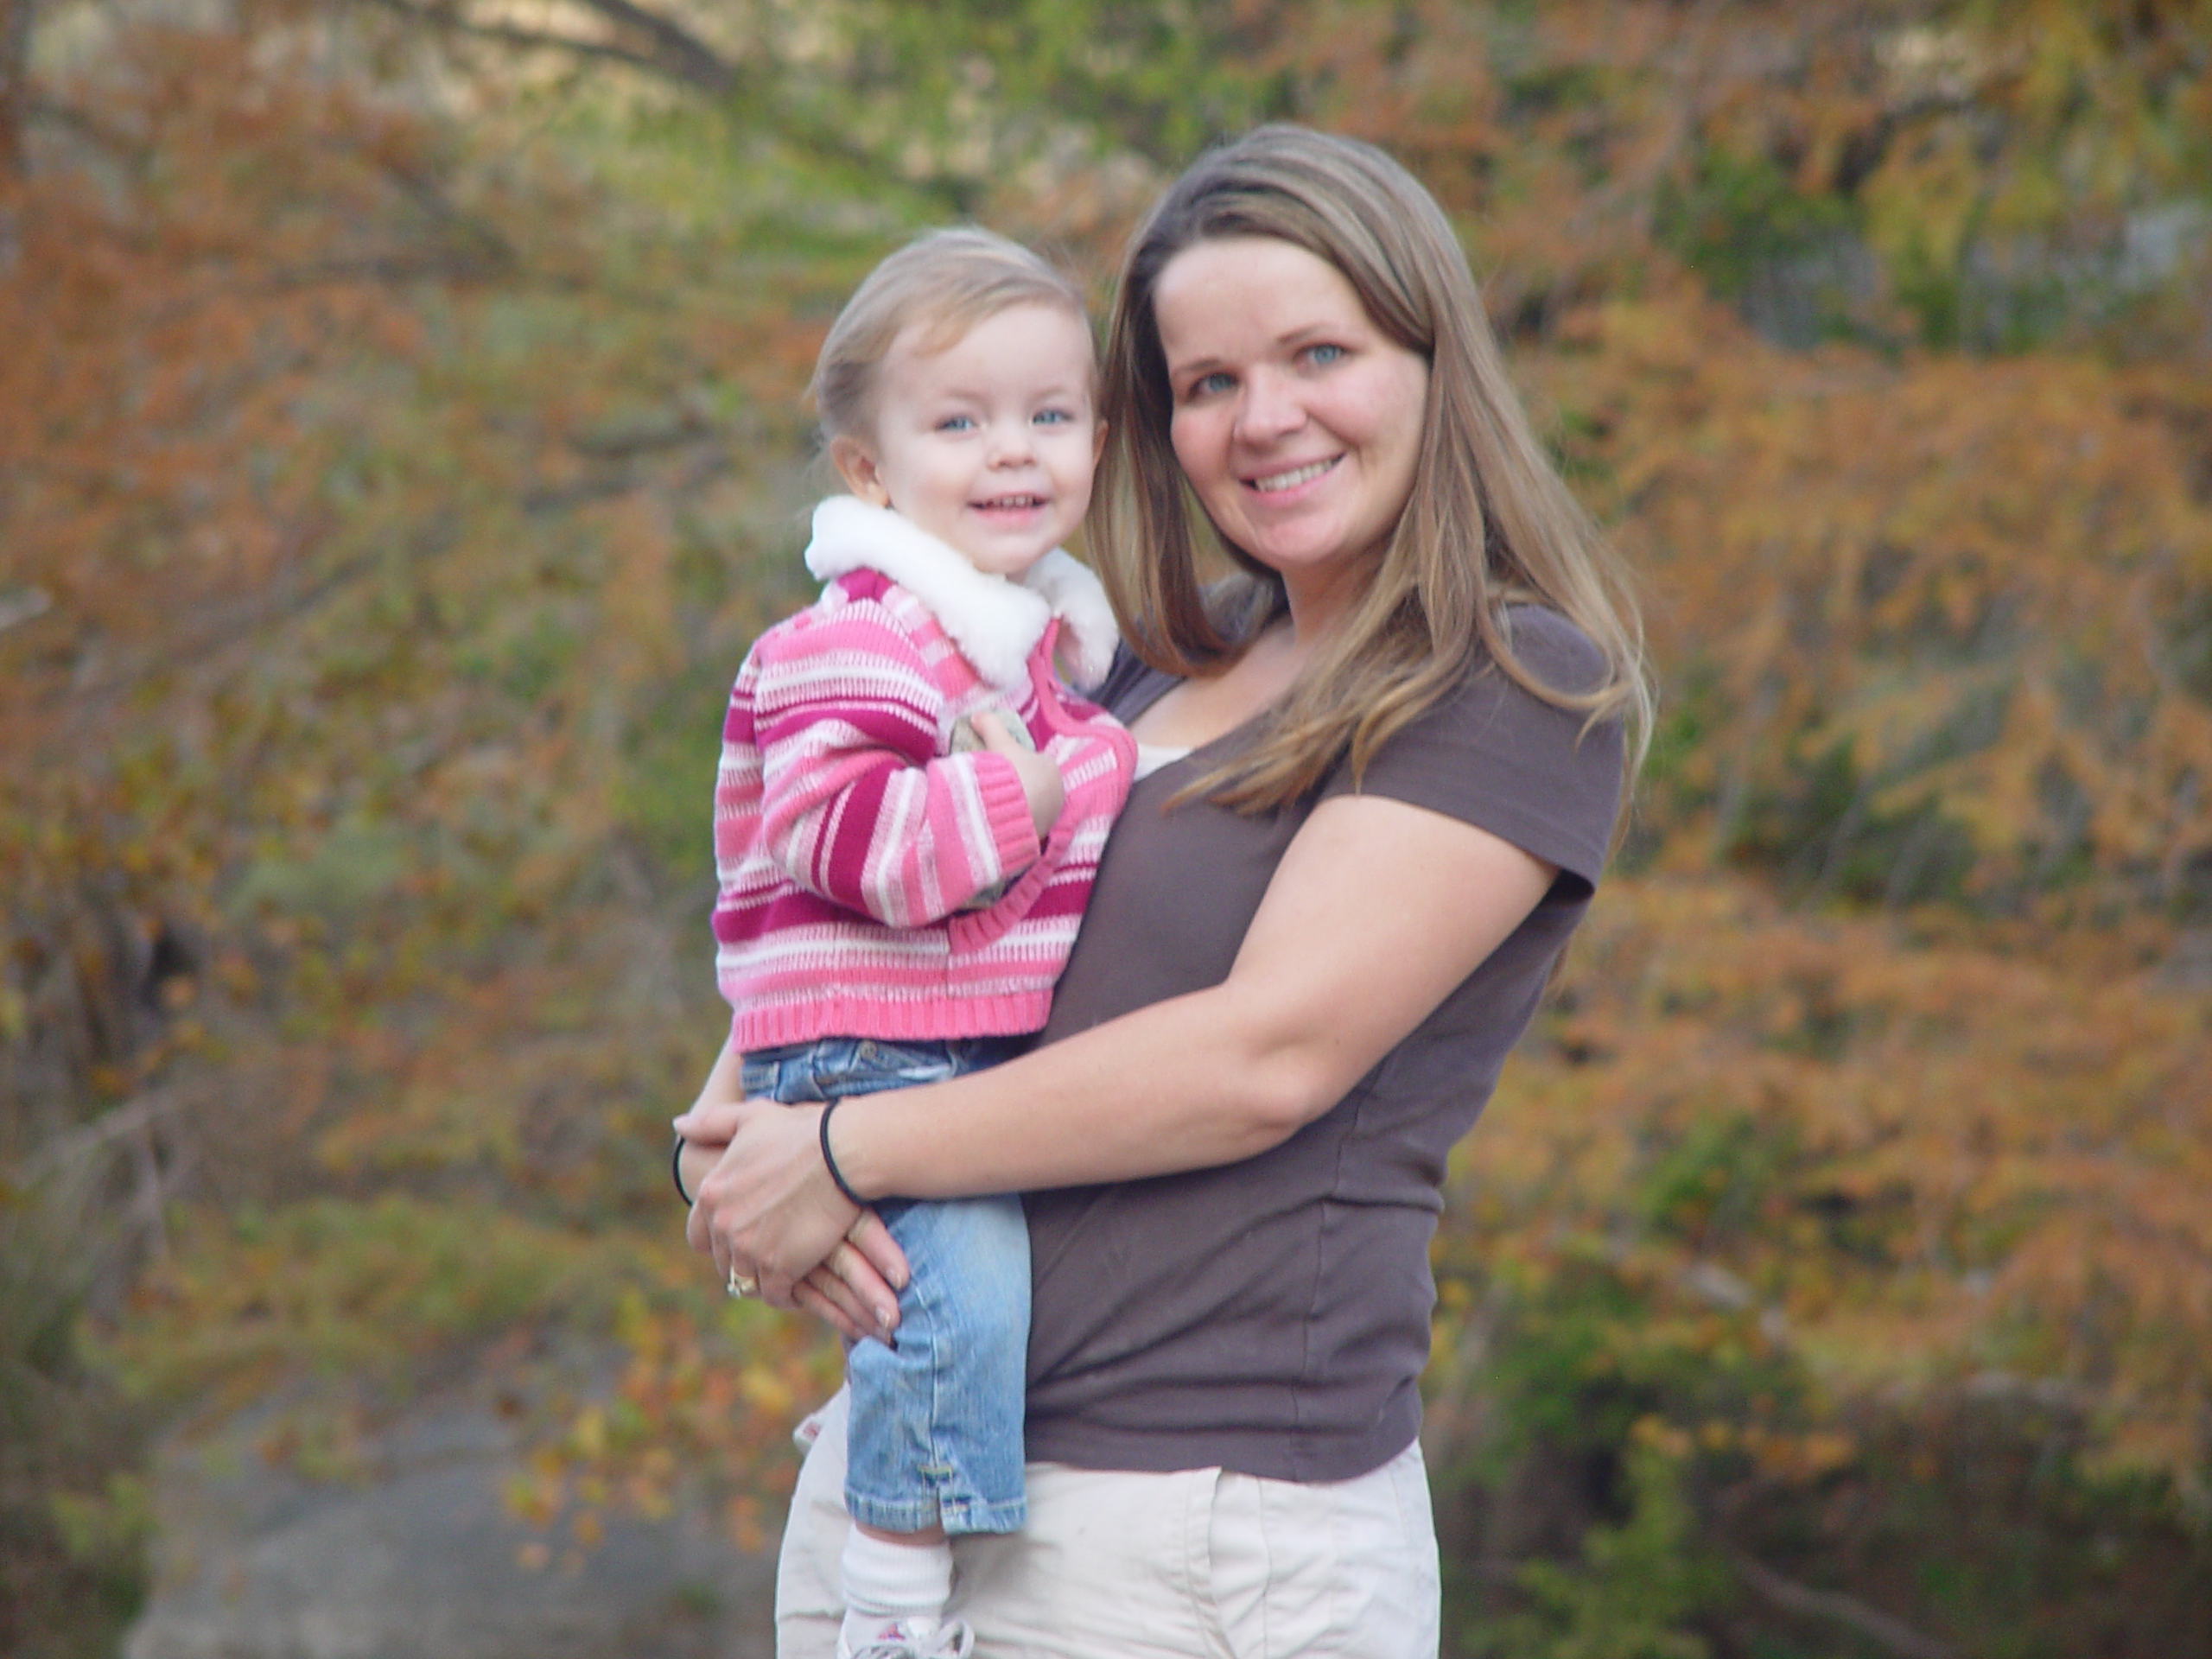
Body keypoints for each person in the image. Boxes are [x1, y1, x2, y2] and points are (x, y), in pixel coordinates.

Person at [677, 124, 1650, 1657]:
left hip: (1202, 1537)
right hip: (910, 1482)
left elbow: (1263, 1060)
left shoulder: (1508, 689)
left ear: (1432, 358)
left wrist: (848, 1148)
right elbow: (862, 911)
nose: (1266, 420)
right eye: (1207, 384)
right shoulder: (1129, 663)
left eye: (1320, 352)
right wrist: (736, 1154)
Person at [684, 226, 1137, 1659]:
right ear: (868, 472)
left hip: (946, 1044)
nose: (1013, 452)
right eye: (961, 423)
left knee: (947, 1290)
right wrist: (1035, 789)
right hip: (873, 1047)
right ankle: (887, 1609)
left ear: (1098, 440)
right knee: (958, 1294)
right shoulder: (855, 642)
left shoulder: (1033, 647)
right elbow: (859, 848)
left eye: (1048, 417)